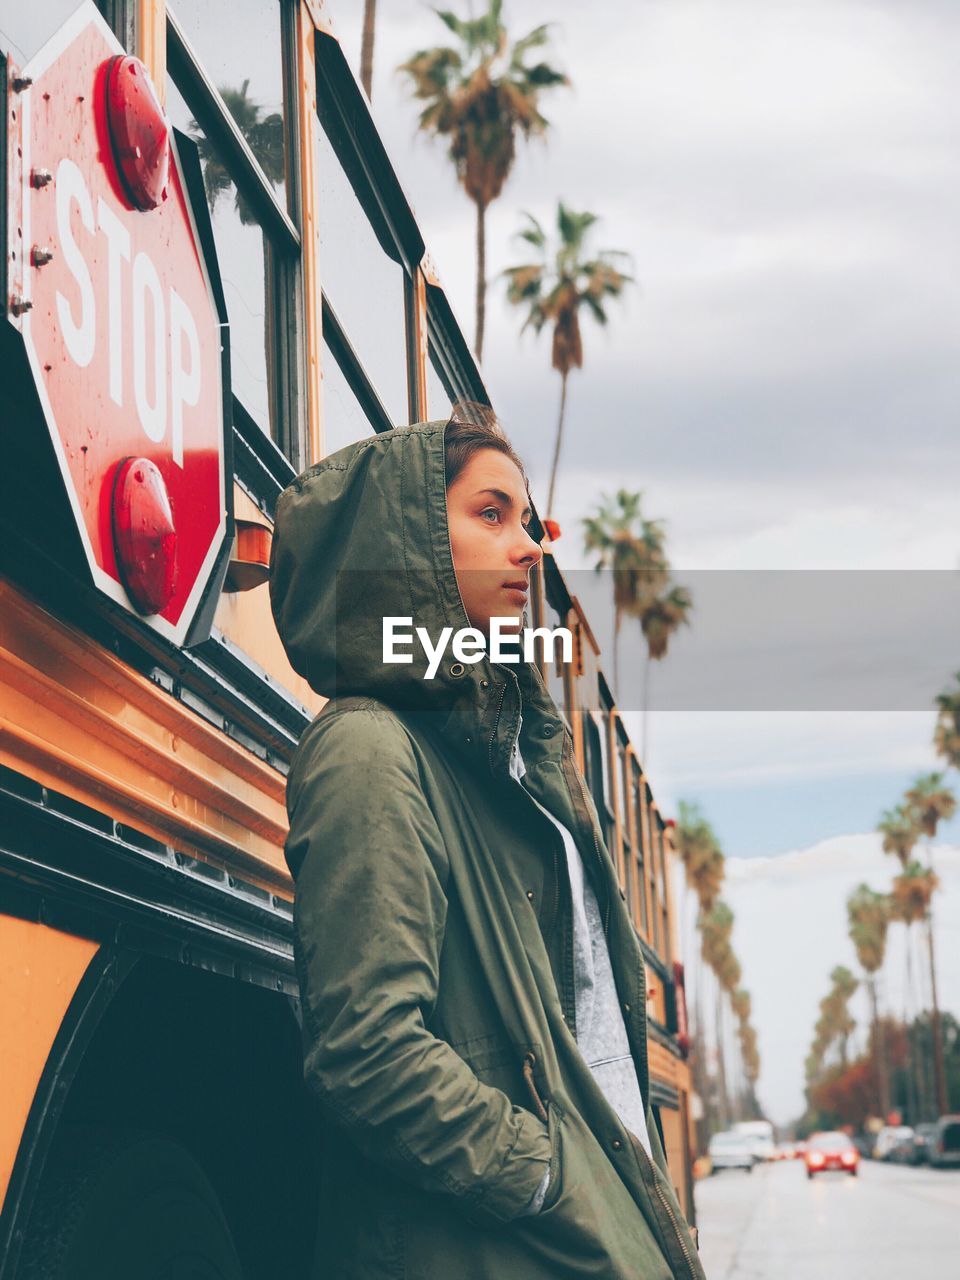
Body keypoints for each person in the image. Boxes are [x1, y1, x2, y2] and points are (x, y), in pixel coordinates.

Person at [269, 405, 705, 1279]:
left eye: (529, 522)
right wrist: (550, 1175)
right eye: (490, 514)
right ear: (413, 544)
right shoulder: (369, 746)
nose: (530, 547)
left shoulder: (495, 758)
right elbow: (368, 1051)